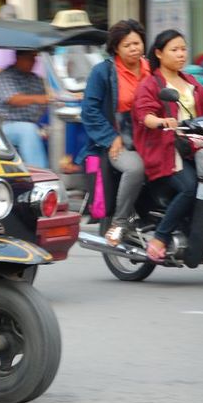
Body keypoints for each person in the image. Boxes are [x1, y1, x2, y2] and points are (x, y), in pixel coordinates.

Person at [133, 29, 203, 261]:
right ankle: (161, 236)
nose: (180, 54)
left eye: (183, 49)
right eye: (174, 50)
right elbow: (144, 114)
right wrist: (161, 121)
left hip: (197, 148)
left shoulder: (191, 82)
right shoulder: (151, 84)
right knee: (191, 187)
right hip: (166, 147)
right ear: (159, 53)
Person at [79, 19, 149, 246]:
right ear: (116, 48)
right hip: (119, 140)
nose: (134, 49)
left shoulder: (152, 69)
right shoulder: (103, 72)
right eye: (127, 45)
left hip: (150, 138)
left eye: (137, 43)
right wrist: (111, 138)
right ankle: (119, 223)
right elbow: (89, 111)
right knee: (135, 168)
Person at [0, 50, 50, 168]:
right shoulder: (5, 76)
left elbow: (46, 102)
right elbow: (13, 99)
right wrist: (40, 98)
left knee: (54, 132)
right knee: (27, 130)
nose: (34, 62)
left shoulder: (35, 79)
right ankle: (40, 174)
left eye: (35, 58)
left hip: (32, 123)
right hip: (1, 126)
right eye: (30, 58)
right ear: (18, 58)